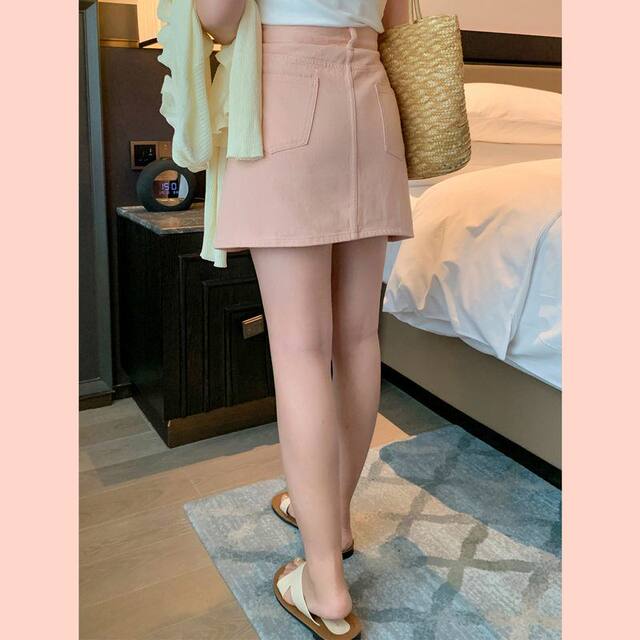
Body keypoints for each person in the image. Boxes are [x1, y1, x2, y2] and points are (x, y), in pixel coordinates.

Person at [196, 1, 413, 637]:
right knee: (358, 337)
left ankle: (324, 582)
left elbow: (219, 16)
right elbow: (400, 26)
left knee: (299, 348)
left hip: (288, 89)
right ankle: (334, 520)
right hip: (372, 99)